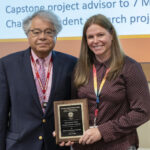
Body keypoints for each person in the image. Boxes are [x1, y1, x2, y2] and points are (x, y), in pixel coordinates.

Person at [66, 14, 150, 150]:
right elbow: (74, 107)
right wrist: (68, 132)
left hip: (118, 145)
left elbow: (143, 111)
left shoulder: (130, 67)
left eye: (100, 35)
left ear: (111, 35)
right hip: (84, 146)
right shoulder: (80, 68)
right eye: (90, 37)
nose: (95, 40)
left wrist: (102, 131)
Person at [0, 10, 77, 150]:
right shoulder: (7, 65)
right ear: (27, 35)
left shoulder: (71, 64)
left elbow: (74, 103)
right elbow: (1, 112)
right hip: (19, 145)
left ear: (56, 35)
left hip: (57, 144)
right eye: (36, 32)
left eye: (49, 32)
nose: (42, 37)